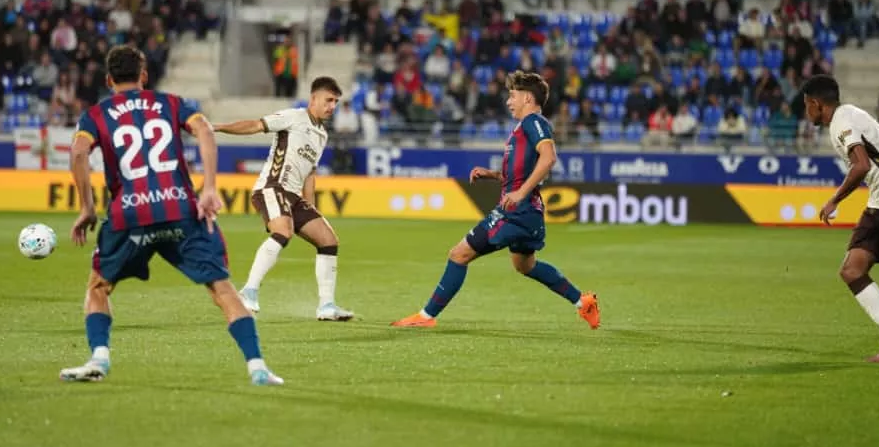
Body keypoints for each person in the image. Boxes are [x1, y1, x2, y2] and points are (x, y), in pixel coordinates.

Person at [60, 45, 283, 386]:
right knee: (221, 288)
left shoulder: (96, 115)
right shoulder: (170, 103)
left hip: (128, 214)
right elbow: (205, 130)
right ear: (144, 76)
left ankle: (99, 360)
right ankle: (257, 367)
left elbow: (78, 152)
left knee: (99, 286)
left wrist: (87, 208)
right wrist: (209, 188)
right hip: (180, 208)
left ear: (108, 80)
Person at [391, 70, 601, 329]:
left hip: (516, 211)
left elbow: (549, 158)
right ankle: (584, 303)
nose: (508, 101)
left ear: (526, 98)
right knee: (525, 266)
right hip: (528, 213)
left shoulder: (533, 122)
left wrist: (521, 193)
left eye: (512, 96)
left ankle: (425, 316)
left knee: (459, 254)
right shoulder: (522, 129)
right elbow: (518, 174)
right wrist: (493, 175)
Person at [213, 76, 354, 321]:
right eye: (328, 100)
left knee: (328, 240)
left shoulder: (322, 134)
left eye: (336, 102)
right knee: (283, 231)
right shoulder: (294, 117)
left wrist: (310, 203)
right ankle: (248, 292)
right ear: (313, 98)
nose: (332, 106)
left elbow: (310, 171)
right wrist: (217, 127)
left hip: (294, 196)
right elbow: (255, 125)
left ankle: (327, 306)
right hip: (272, 187)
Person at [803, 74, 879, 362]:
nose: (806, 113)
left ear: (815, 103)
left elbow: (860, 166)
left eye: (806, 106)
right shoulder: (847, 116)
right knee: (852, 270)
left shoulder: (842, 121)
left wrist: (835, 199)